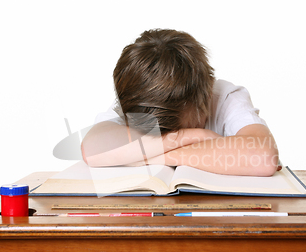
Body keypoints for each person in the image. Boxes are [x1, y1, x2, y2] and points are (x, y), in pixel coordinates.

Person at [81, 29, 279, 176]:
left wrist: (150, 157)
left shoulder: (226, 97)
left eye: (177, 127)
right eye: (159, 133)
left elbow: (263, 156)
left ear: (206, 96)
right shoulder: (141, 100)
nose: (165, 137)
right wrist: (194, 135)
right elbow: (91, 149)